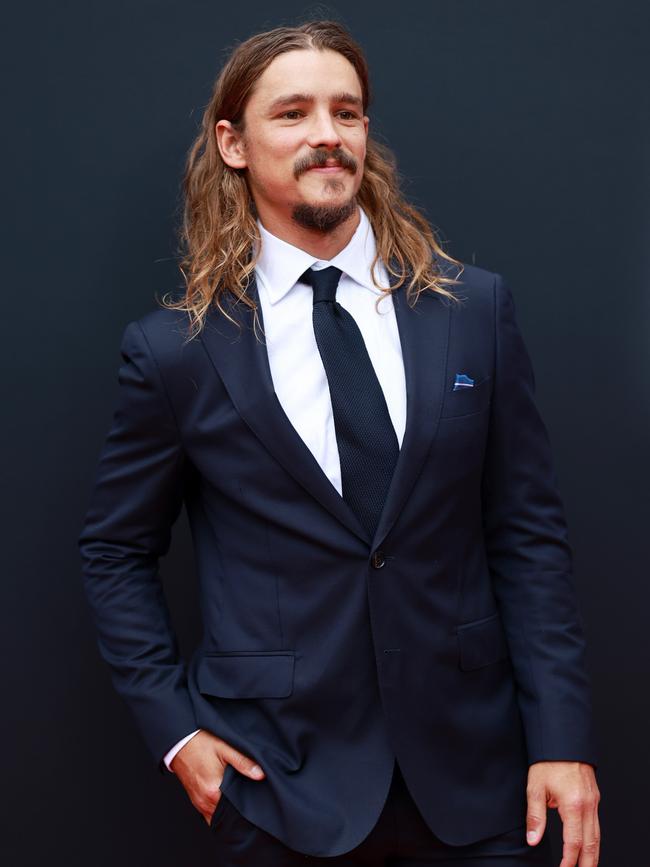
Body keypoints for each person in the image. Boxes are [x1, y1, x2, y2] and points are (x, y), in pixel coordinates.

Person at [78, 19, 601, 867]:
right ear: (233, 143)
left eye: (347, 112)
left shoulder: (473, 314)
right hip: (278, 789)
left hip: (480, 781)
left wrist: (562, 738)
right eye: (293, 113)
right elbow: (113, 550)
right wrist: (178, 735)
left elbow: (528, 536)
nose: (327, 133)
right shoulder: (179, 350)